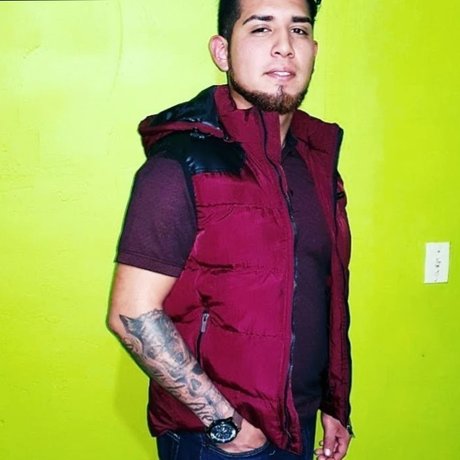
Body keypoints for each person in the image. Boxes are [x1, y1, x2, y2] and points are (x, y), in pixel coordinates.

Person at [108, 0, 353, 459]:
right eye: (261, 29)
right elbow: (131, 313)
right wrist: (227, 425)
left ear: (314, 49)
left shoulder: (315, 162)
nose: (284, 47)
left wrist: (334, 403)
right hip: (218, 441)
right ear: (222, 52)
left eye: (299, 31)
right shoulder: (180, 163)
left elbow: (324, 292)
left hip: (299, 426)